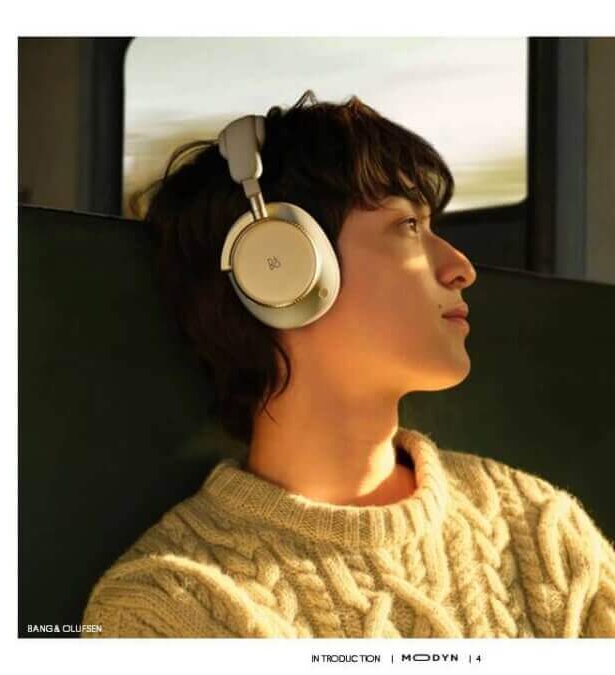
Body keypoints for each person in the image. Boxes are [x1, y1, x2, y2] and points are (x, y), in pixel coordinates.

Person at [81, 92, 615, 638]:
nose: (461, 267)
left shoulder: (538, 524)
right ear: (281, 267)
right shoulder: (169, 609)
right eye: (408, 226)